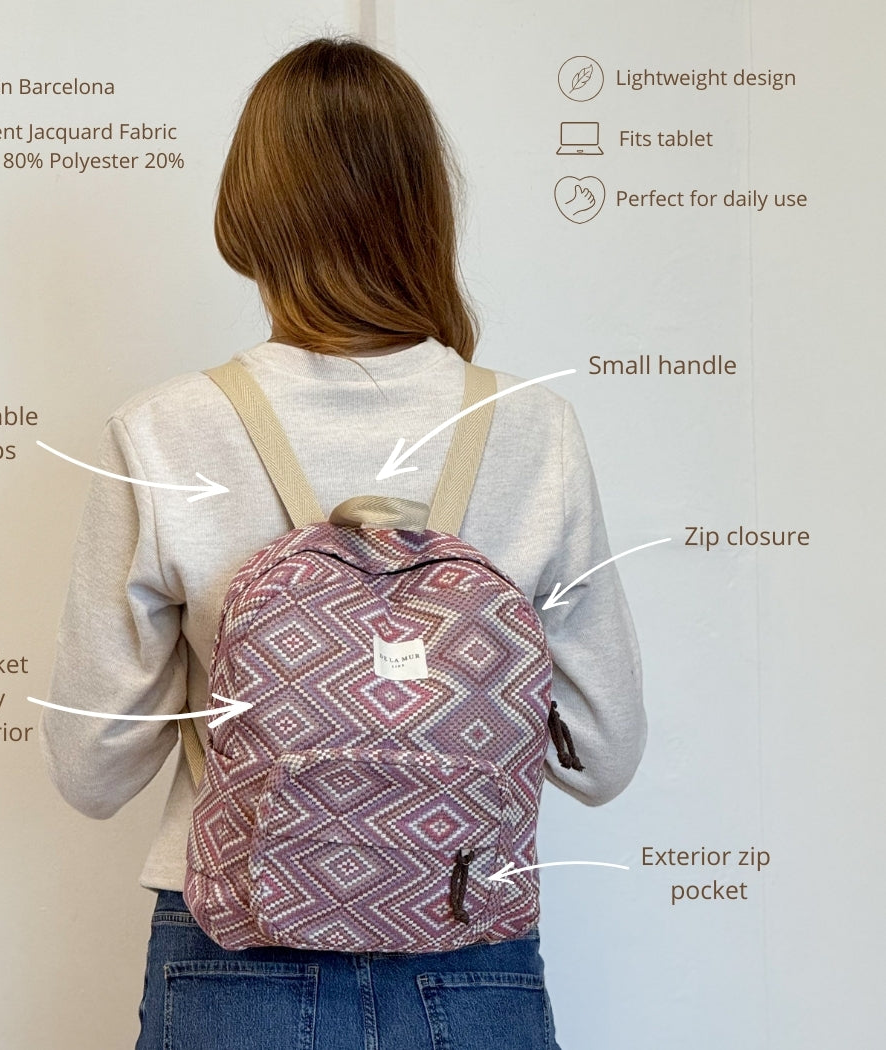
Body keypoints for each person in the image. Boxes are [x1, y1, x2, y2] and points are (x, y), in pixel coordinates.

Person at [39, 36, 645, 1050]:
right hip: (467, 935)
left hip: (233, 945)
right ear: (426, 209)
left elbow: (91, 771)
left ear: (248, 215)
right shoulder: (533, 430)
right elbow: (603, 757)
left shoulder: (164, 431)